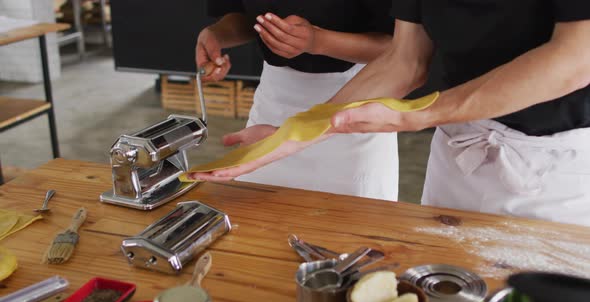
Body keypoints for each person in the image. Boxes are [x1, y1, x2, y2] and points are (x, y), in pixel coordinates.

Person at [193, 0, 590, 226]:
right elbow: (406, 58)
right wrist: (292, 133)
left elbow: (577, 56)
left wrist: (419, 114)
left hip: (552, 169)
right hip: (457, 152)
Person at [196, 1, 400, 200]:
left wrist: (318, 41)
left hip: (355, 107)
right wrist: (216, 35)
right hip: (273, 103)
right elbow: (244, 14)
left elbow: (402, 50)